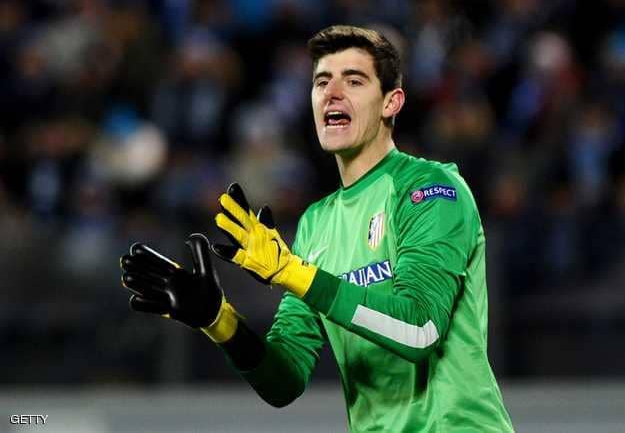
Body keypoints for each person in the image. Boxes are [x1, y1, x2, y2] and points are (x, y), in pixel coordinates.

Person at [120, 25, 514, 432]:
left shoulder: (431, 190)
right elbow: (283, 381)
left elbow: (420, 330)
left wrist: (295, 273)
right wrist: (219, 322)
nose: (332, 93)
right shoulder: (317, 223)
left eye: (354, 81)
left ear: (391, 102)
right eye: (322, 82)